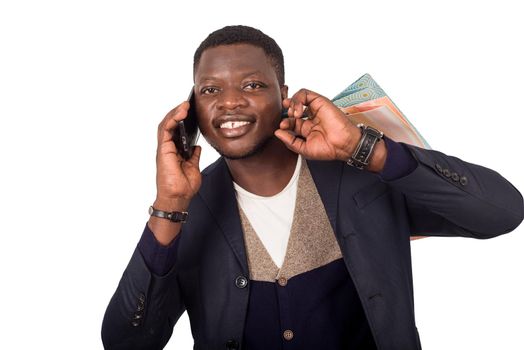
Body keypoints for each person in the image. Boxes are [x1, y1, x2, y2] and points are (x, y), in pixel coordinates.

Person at [101, 25, 523, 350]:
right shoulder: (184, 212)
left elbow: (501, 212)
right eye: (211, 90)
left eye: (252, 85)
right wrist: (169, 205)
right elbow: (127, 343)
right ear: (192, 109)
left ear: (283, 96)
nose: (229, 102)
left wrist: (366, 149)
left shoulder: (363, 178)